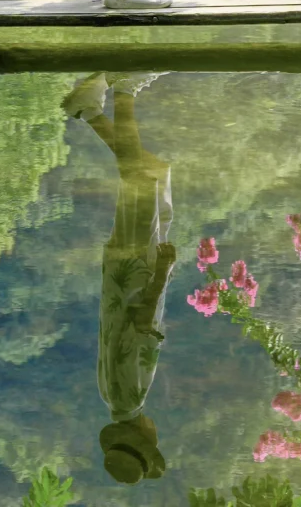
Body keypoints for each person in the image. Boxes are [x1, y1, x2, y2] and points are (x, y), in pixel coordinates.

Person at [62, 70, 174, 485]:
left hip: (135, 272)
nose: (156, 435)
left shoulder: (131, 396)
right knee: (152, 175)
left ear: (143, 436)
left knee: (139, 180)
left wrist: (162, 272)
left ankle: (125, 88)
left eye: (152, 442)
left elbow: (140, 324)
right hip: (121, 272)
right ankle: (89, 111)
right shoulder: (108, 395)